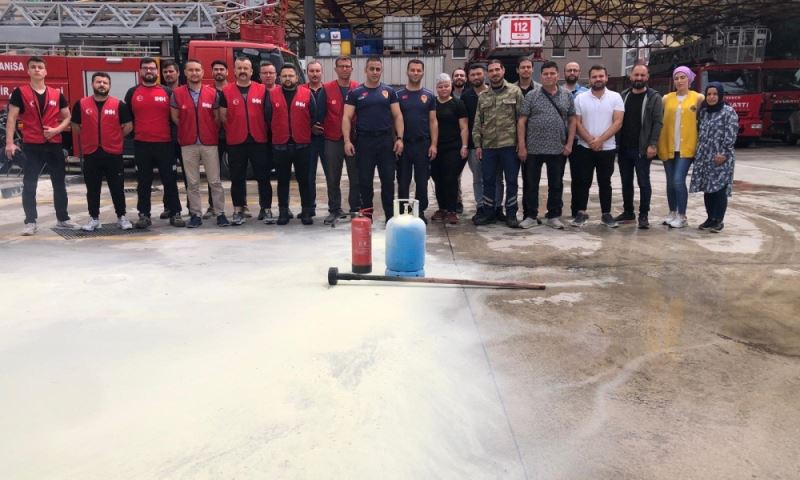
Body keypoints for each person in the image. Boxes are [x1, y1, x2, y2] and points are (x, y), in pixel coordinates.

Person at [5, 56, 78, 235]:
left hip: (54, 144)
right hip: (32, 145)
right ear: (28, 71)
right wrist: (9, 143)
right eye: (33, 67)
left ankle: (63, 219)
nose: (37, 69)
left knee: (59, 183)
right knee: (30, 184)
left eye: (40, 67)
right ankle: (30, 221)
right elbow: (12, 118)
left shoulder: (56, 94)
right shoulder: (20, 93)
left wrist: (56, 130)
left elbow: (68, 117)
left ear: (45, 71)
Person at [342, 56, 404, 222]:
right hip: (364, 142)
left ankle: (390, 217)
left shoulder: (389, 92)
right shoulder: (355, 93)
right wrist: (347, 140)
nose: (375, 72)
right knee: (365, 181)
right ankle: (367, 216)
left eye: (378, 69)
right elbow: (346, 117)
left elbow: (398, 116)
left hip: (385, 142)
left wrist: (399, 138)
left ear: (381, 70)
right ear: (365, 70)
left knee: (388, 181)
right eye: (372, 69)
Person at [125, 57, 185, 228]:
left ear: (157, 71)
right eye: (145, 68)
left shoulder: (167, 92)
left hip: (165, 144)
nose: (149, 71)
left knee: (170, 180)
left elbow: (174, 118)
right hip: (142, 145)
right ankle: (144, 215)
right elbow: (128, 118)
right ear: (140, 71)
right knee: (143, 182)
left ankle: (175, 212)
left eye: (152, 68)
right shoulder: (132, 93)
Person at [516, 61, 576, 230]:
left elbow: (572, 120)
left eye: (552, 73)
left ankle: (553, 216)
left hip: (557, 148)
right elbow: (521, 121)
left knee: (556, 184)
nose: (549, 76)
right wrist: (522, 146)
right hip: (533, 149)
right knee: (531, 184)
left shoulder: (567, 95)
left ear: (558, 75)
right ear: (541, 76)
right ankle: (531, 216)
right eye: (545, 74)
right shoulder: (531, 95)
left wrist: (569, 143)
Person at [71, 72, 134, 231]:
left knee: (117, 187)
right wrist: (88, 136)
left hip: (113, 153)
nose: (102, 85)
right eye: (98, 82)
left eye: (105, 82)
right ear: (92, 84)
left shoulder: (119, 105)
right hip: (91, 153)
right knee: (92, 189)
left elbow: (128, 126)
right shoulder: (81, 104)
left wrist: (114, 137)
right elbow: (75, 126)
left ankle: (121, 217)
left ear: (109, 86)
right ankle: (94, 219)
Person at [170, 59, 229, 228]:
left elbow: (217, 118)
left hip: (209, 142)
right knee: (192, 182)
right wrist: (188, 129)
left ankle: (220, 213)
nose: (194, 73)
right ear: (185, 73)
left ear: (203, 73)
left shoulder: (212, 93)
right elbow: (175, 117)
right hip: (188, 143)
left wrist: (207, 131)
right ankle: (196, 214)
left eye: (197, 70)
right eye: (191, 70)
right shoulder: (177, 94)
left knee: (215, 181)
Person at [219, 56, 271, 225]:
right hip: (236, 141)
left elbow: (267, 115)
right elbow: (223, 116)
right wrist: (234, 128)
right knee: (237, 178)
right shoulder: (226, 91)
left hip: (258, 140)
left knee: (263, 177)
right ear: (234, 71)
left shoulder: (262, 90)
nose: (242, 71)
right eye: (239, 68)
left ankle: (266, 209)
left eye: (245, 68)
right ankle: (238, 210)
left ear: (251, 71)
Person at [472, 59, 524, 228]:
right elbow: (478, 122)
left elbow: (521, 120)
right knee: (488, 180)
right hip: (489, 146)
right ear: (488, 74)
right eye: (491, 70)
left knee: (511, 181)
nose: (494, 73)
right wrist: (478, 145)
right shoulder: (483, 96)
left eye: (497, 70)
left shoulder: (515, 92)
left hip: (510, 146)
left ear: (503, 71)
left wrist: (521, 143)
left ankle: (511, 214)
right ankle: (489, 213)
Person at [572, 64, 624, 228]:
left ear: (606, 78)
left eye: (601, 76)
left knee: (605, 182)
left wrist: (600, 140)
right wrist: (591, 141)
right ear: (589, 79)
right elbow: (577, 123)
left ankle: (606, 214)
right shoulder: (580, 98)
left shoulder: (615, 97)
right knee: (583, 181)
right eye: (594, 77)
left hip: (607, 149)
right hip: (584, 148)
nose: (598, 79)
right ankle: (581, 213)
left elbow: (618, 122)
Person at [614, 63, 663, 229]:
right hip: (624, 148)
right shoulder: (623, 96)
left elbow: (657, 122)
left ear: (647, 77)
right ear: (631, 76)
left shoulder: (654, 97)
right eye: (636, 75)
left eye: (642, 75)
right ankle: (628, 213)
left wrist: (653, 144)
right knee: (626, 182)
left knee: (643, 182)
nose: (639, 78)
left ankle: (643, 214)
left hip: (642, 148)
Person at [268, 64, 317, 225]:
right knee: (282, 181)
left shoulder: (307, 94)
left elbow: (313, 116)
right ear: (279, 78)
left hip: (302, 145)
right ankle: (283, 212)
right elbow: (267, 117)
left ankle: (306, 211)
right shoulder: (272, 95)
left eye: (291, 76)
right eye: (284, 76)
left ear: (297, 78)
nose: (288, 78)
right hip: (280, 145)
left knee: (304, 181)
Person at [657, 66, 704, 229]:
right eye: (676, 78)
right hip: (668, 144)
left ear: (689, 79)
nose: (679, 81)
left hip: (686, 146)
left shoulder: (698, 98)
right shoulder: (666, 98)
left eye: (683, 77)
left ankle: (682, 216)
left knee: (678, 180)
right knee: (670, 182)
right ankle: (672, 212)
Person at [690, 82, 738, 233]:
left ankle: (718, 220)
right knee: (708, 188)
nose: (711, 97)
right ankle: (710, 218)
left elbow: (731, 134)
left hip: (720, 156)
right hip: (705, 155)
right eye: (709, 94)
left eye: (715, 94)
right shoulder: (704, 112)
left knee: (719, 189)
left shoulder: (728, 112)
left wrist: (724, 153)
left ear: (721, 95)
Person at [319, 56, 360, 224]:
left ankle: (355, 208)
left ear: (352, 69)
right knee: (333, 176)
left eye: (347, 66)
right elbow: (320, 113)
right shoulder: (326, 89)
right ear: (336, 69)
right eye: (341, 66)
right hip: (332, 139)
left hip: (354, 139)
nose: (344, 69)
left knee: (355, 176)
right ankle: (334, 209)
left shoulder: (358, 88)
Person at [397, 59, 437, 222]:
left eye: (418, 70)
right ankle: (404, 212)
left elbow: (433, 121)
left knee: (421, 181)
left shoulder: (429, 96)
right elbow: (394, 119)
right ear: (407, 72)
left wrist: (433, 144)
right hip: (404, 145)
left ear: (423, 72)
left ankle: (419, 212)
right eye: (412, 70)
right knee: (403, 180)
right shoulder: (398, 95)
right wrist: (396, 140)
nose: (415, 73)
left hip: (422, 144)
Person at [461, 63, 502, 221]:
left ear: (484, 74)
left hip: (495, 144)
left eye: (478, 74)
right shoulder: (466, 96)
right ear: (469, 78)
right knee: (478, 178)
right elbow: (465, 123)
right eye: (472, 75)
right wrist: (466, 144)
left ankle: (497, 207)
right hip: (474, 145)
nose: (476, 77)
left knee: (496, 178)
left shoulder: (495, 92)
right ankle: (481, 207)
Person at [430, 73, 468, 224]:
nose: (443, 89)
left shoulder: (458, 104)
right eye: (440, 86)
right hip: (435, 147)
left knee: (450, 178)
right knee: (437, 178)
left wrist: (464, 145)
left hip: (453, 147)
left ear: (451, 86)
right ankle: (442, 208)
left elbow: (464, 127)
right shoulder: (432, 103)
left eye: (446, 86)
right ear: (436, 88)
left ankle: (452, 210)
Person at [514, 56, 542, 221]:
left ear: (532, 69)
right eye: (522, 67)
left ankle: (529, 213)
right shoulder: (510, 89)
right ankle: (510, 212)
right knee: (511, 180)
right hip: (511, 142)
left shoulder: (541, 90)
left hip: (533, 143)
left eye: (528, 67)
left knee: (530, 180)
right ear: (517, 70)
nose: (526, 70)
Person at [564, 61, 590, 221]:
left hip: (579, 141)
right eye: (569, 70)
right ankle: (554, 209)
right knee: (556, 177)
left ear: (579, 73)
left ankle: (578, 211)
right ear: (564, 73)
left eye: (575, 70)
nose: (572, 72)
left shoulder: (587, 94)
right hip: (560, 140)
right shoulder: (557, 92)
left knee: (579, 177)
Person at [204, 59, 229, 220]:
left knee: (238, 172)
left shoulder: (233, 90)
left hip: (233, 136)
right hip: (213, 137)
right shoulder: (207, 91)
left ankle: (242, 204)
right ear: (212, 72)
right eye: (216, 69)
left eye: (222, 69)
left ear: (227, 72)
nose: (219, 72)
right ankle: (212, 205)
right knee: (213, 174)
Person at [305, 60, 326, 218]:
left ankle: (334, 208)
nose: (314, 74)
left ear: (322, 72)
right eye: (311, 71)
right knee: (308, 176)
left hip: (327, 139)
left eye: (317, 71)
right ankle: (309, 207)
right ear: (307, 72)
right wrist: (309, 128)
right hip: (308, 140)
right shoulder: (301, 91)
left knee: (331, 175)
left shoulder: (328, 90)